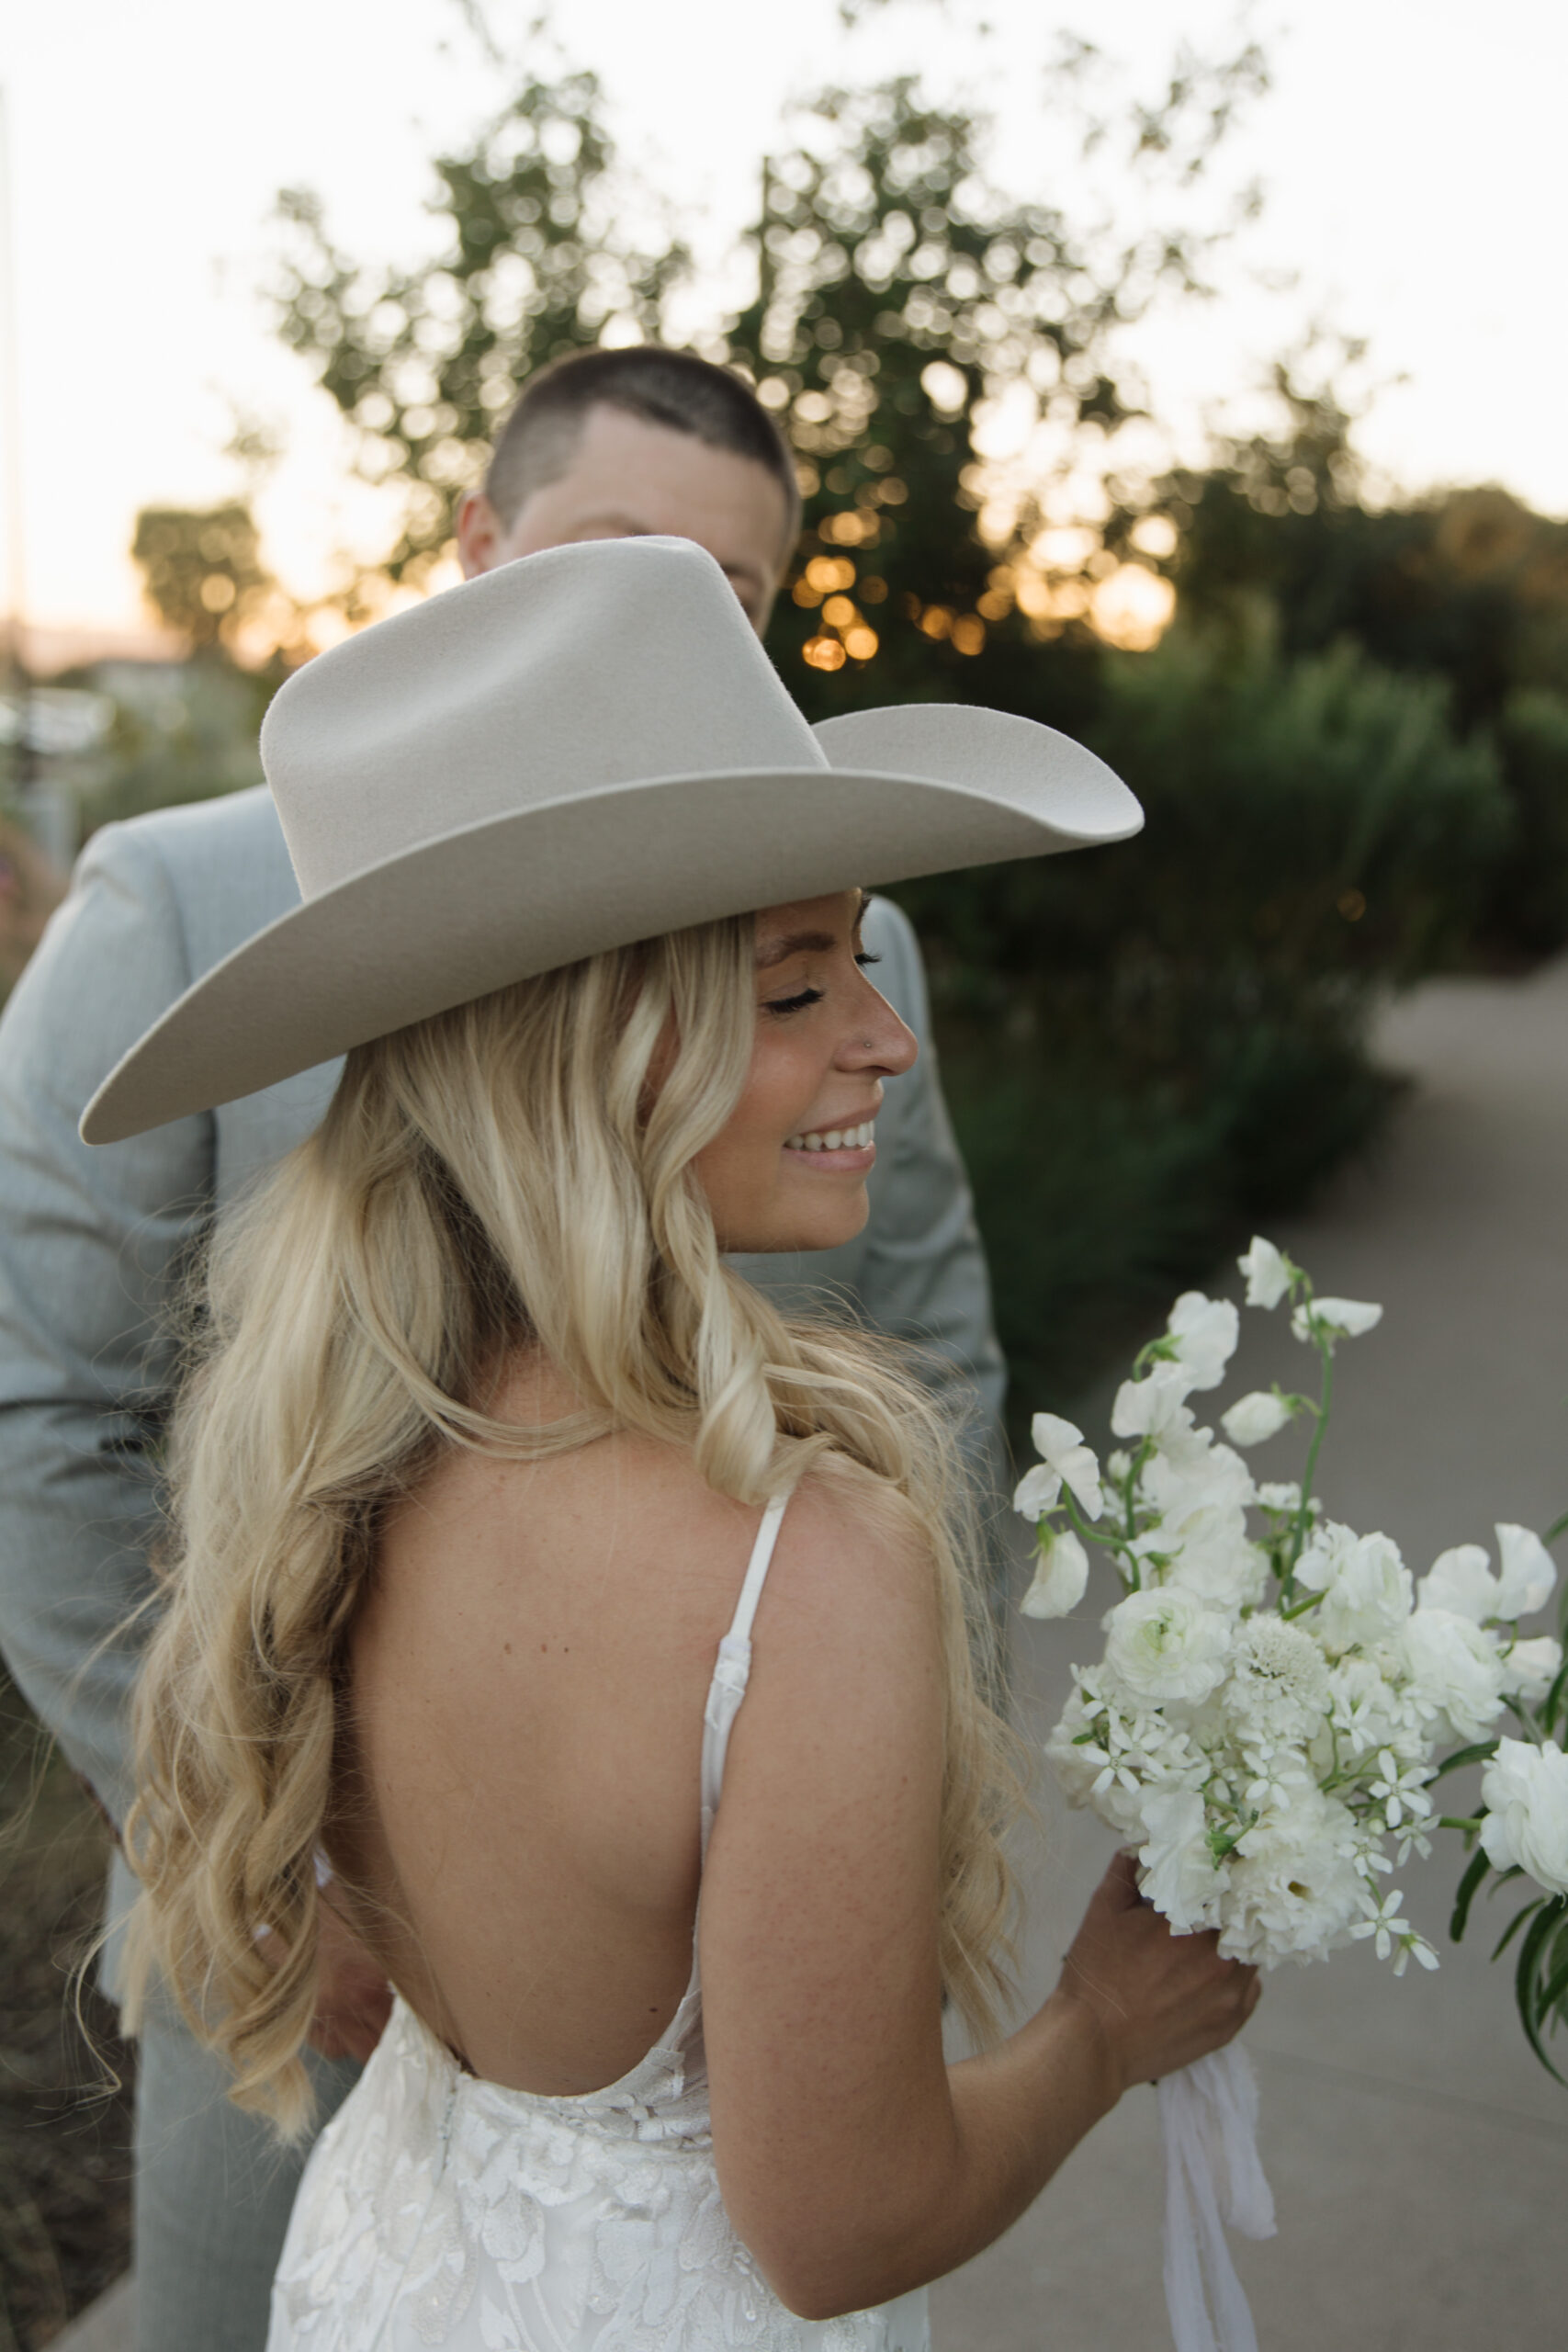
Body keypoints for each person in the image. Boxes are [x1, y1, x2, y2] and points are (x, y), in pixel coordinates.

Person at [87, 535, 1257, 2351]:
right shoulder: (798, 1565)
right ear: (586, 1050)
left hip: (380, 2282)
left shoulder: (332, 1459)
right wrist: (1099, 2026)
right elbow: (842, 2222)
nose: (881, 1039)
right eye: (793, 987)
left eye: (855, 962)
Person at [0, 352, 1005, 2352]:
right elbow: (36, 1410)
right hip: (286, 1940)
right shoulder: (183, 894)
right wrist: (279, 1822)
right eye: (621, 563)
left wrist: (874, 1769)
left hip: (740, 1919)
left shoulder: (841, 945)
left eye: (731, 599)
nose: (683, 631)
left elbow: (937, 1335)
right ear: (476, 545)